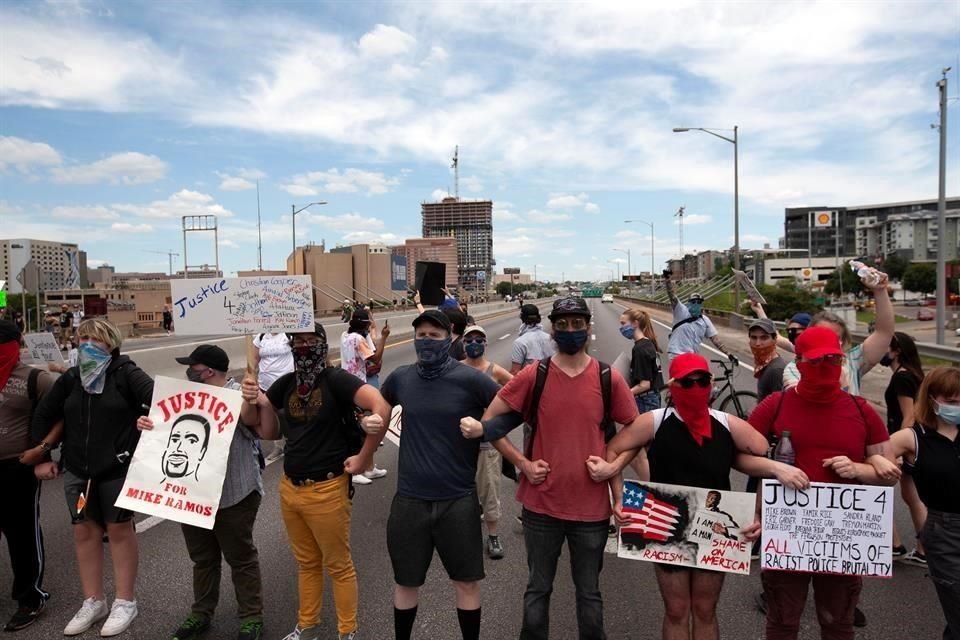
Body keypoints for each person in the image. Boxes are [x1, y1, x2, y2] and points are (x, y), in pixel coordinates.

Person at [462, 296, 642, 640]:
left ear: (588, 328)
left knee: (589, 594)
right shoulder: (535, 375)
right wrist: (522, 464)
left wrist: (613, 469)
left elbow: (634, 433)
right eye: (562, 324)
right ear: (552, 329)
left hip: (591, 510)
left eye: (577, 324)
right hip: (541, 508)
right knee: (537, 590)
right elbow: (491, 421)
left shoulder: (608, 378)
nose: (570, 330)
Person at [594, 353, 808, 640]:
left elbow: (757, 451)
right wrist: (618, 500)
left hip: (714, 528)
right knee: (676, 609)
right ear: (674, 384)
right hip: (667, 524)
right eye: (687, 382)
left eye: (702, 381)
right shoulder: (656, 421)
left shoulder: (725, 423)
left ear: (710, 384)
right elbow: (613, 450)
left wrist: (762, 502)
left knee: (705, 610)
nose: (695, 388)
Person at [239, 323, 389, 640]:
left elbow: (381, 406)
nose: (305, 347)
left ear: (324, 344)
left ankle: (347, 631)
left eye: (312, 340)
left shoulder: (335, 381)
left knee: (338, 565)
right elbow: (265, 431)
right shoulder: (286, 384)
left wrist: (364, 457)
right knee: (306, 563)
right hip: (291, 488)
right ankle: (307, 626)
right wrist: (257, 399)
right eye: (298, 341)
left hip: (328, 488)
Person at [748, 326, 895, 640]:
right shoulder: (776, 405)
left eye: (832, 360)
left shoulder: (861, 410)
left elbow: (888, 477)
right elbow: (738, 456)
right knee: (782, 623)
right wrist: (775, 468)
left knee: (838, 624)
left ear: (841, 361)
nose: (825, 367)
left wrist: (860, 469)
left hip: (842, 538)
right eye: (816, 361)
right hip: (788, 533)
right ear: (798, 362)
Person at [379, 310, 500, 640]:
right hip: (410, 499)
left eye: (434, 335)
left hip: (457, 499)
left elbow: (509, 407)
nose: (426, 341)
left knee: (466, 582)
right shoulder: (401, 378)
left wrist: (484, 428)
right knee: (406, 581)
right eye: (421, 336)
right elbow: (378, 404)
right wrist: (368, 427)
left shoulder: (470, 379)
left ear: (449, 339)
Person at [31, 318, 154, 637]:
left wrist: (146, 423)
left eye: (95, 339)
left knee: (119, 531)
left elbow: (159, 401)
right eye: (82, 338)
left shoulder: (126, 374)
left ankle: (125, 601)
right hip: (76, 470)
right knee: (84, 533)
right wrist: (42, 458)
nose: (87, 344)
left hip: (116, 469)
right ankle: (93, 601)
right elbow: (44, 414)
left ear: (111, 343)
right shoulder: (73, 377)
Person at [137, 345, 265, 640]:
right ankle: (201, 612)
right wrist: (147, 425)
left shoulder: (240, 393)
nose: (188, 372)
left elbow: (251, 421)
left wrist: (251, 393)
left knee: (241, 557)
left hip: (234, 493)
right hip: (192, 495)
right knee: (203, 558)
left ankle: (251, 617)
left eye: (192, 367)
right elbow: (164, 432)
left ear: (206, 370)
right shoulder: (185, 399)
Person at [867, 366, 960, 640]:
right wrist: (876, 460)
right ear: (932, 399)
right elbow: (872, 453)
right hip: (945, 534)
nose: (958, 406)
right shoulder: (913, 437)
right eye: (951, 401)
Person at [0, 320, 53, 631]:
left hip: (16, 467)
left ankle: (30, 597)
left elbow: (57, 416)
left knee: (21, 534)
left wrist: (43, 453)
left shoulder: (35, 380)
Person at [782, 270, 894, 396]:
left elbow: (883, 333)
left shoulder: (852, 361)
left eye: (834, 338)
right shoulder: (793, 370)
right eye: (821, 336)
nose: (827, 344)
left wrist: (880, 291)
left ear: (843, 342)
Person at [461, 324, 513, 560]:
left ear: (485, 343)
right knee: (460, 493)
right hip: (457, 443)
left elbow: (518, 393)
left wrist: (498, 422)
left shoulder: (496, 371)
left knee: (490, 491)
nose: (474, 343)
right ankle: (464, 536)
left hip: (487, 444)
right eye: (469, 339)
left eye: (479, 340)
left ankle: (493, 536)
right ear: (463, 343)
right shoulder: (454, 369)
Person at [880, 331, 928, 565]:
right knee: (911, 495)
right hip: (914, 440)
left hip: (907, 440)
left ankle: (919, 548)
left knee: (908, 495)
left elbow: (909, 416)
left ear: (896, 351)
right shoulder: (911, 374)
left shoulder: (902, 377)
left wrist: (895, 449)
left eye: (885, 347)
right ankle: (913, 547)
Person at [338, 308, 389, 486]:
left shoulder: (345, 336)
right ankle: (357, 469)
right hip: (356, 386)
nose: (369, 328)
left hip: (348, 383)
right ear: (363, 325)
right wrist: (384, 337)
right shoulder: (358, 339)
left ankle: (369, 466)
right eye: (367, 325)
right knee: (358, 428)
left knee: (360, 425)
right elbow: (375, 359)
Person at [663, 276, 737, 367]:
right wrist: (668, 281)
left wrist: (728, 353)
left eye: (699, 302)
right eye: (693, 302)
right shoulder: (681, 311)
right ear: (688, 303)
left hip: (692, 356)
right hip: (676, 354)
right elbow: (672, 297)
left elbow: (715, 340)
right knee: (681, 377)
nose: (696, 304)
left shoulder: (705, 321)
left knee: (702, 377)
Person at [619, 308, 663, 413]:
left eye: (623, 323)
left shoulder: (640, 349)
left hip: (645, 401)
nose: (621, 328)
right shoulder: (648, 343)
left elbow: (644, 384)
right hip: (653, 397)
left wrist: (623, 394)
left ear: (635, 323)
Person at [510, 304, 556, 374]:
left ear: (522, 318)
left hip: (530, 383)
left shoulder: (520, 342)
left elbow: (514, 372)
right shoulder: (551, 338)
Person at [747, 318, 786, 403]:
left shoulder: (776, 370)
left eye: (764, 338)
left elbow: (780, 407)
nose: (757, 343)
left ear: (774, 339)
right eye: (754, 337)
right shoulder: (764, 364)